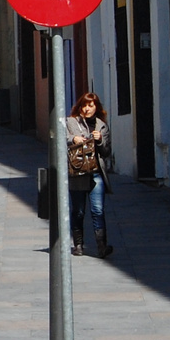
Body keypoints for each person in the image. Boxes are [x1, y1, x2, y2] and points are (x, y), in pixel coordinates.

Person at [67, 92, 114, 258]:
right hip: (78, 173)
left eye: (91, 106)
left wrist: (100, 140)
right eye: (85, 105)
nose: (87, 109)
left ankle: (102, 246)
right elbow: (63, 138)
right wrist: (73, 139)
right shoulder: (72, 122)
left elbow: (107, 152)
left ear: (96, 108)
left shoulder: (102, 126)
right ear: (80, 106)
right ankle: (78, 245)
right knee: (78, 211)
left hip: (95, 174)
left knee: (98, 211)